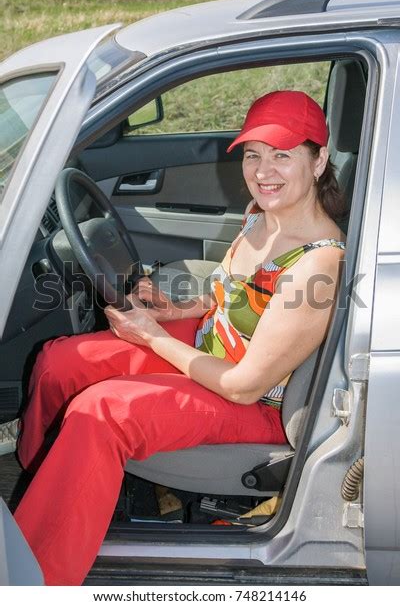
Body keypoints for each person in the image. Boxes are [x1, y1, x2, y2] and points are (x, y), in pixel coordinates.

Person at [14, 90, 346, 585]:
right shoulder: (263, 212)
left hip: (253, 400)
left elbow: (244, 386)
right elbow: (231, 291)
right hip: (213, 348)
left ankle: (33, 575)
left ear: (318, 161)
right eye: (253, 155)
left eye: (283, 155)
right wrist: (177, 309)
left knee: (101, 411)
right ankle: (38, 474)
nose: (263, 170)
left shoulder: (318, 263)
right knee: (61, 360)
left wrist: (151, 336)